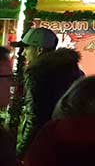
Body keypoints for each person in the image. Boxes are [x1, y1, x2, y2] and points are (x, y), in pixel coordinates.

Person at [14, 27, 83, 157]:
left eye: (27, 48)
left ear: (39, 50)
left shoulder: (37, 74)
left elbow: (35, 118)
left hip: (44, 145)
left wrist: (21, 151)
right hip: (71, 142)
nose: (23, 53)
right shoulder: (74, 72)